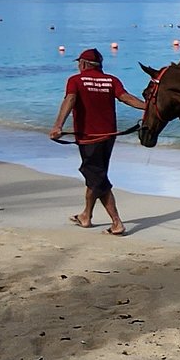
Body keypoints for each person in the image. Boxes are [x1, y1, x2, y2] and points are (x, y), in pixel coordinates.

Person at [49, 48, 147, 235]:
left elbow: (70, 99)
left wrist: (57, 126)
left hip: (89, 138)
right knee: (96, 175)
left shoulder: (75, 80)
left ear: (84, 64)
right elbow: (126, 98)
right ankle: (86, 215)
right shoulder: (111, 80)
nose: (78, 66)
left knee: (97, 177)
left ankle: (116, 222)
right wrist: (148, 107)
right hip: (109, 137)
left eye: (79, 63)